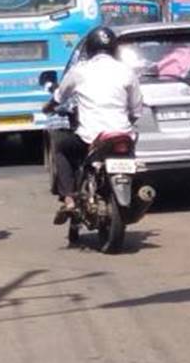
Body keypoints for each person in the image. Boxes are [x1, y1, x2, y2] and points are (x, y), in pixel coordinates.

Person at [44, 26, 142, 224]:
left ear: (89, 48)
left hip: (91, 137)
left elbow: (60, 97)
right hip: (123, 135)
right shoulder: (127, 71)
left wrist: (48, 107)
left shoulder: (79, 70)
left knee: (60, 145)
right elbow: (136, 110)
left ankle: (70, 198)